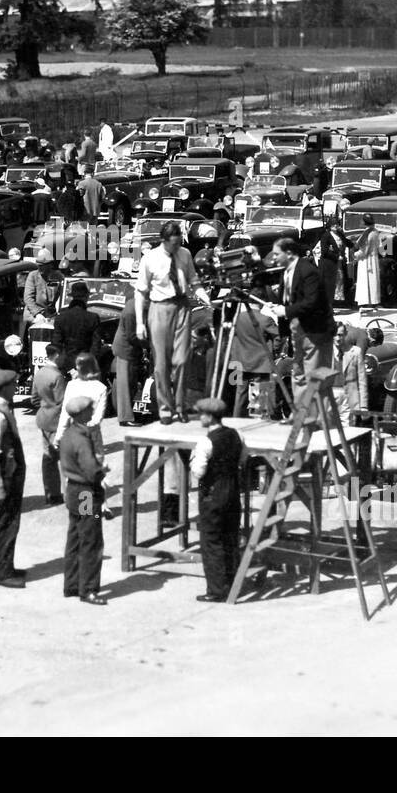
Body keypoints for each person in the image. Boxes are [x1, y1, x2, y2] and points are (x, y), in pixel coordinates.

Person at [133, 220, 211, 424]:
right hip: (159, 308)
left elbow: (194, 281)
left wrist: (205, 297)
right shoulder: (150, 258)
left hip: (182, 307)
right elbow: (141, 291)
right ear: (164, 240)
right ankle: (166, 408)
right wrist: (140, 323)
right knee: (161, 363)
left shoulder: (184, 254)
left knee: (183, 359)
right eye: (173, 244)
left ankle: (180, 405)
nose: (177, 247)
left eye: (179, 243)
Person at [267, 236, 333, 420]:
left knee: (312, 374)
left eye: (277, 253)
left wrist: (285, 311)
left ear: (289, 253)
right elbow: (287, 299)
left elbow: (311, 303)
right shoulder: (286, 271)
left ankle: (312, 417)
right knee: (298, 372)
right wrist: (279, 309)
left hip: (314, 332)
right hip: (297, 330)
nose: (274, 257)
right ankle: (300, 413)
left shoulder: (308, 271)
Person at [190, 397, 244, 602]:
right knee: (230, 537)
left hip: (213, 494)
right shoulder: (237, 434)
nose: (199, 417)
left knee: (211, 541)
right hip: (232, 490)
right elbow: (243, 457)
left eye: (201, 414)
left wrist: (192, 459)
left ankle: (216, 589)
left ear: (209, 416)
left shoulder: (205, 442)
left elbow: (198, 472)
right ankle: (232, 582)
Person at [59, 395, 107, 605]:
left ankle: (71, 584)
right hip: (86, 493)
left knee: (74, 539)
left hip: (73, 490)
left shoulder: (68, 434)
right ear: (82, 413)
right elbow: (90, 470)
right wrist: (101, 471)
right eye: (89, 408)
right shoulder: (81, 438)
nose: (92, 411)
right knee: (91, 541)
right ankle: (87, 589)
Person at [0, 369, 27, 588]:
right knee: (6, 524)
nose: (16, 387)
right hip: (5, 478)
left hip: (10, 475)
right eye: (14, 384)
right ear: (6, 388)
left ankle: (1, 564)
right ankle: (1, 573)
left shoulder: (3, 408)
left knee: (5, 523)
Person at [53, 352, 108, 463]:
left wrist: (59, 436)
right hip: (93, 435)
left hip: (74, 432)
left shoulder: (72, 385)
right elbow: (98, 417)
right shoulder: (101, 388)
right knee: (95, 468)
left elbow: (65, 413)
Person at [32, 344, 69, 506]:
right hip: (57, 422)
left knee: (48, 458)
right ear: (57, 355)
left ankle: (51, 494)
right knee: (64, 459)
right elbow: (62, 403)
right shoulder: (57, 377)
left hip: (43, 420)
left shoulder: (39, 373)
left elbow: (34, 399)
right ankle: (71, 497)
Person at [111, 288, 142, 427]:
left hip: (126, 349)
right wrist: (149, 344)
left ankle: (126, 414)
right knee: (125, 384)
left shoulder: (132, 305)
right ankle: (125, 417)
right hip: (125, 349)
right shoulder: (132, 311)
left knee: (128, 383)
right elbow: (132, 336)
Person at [53, 280, 100, 360]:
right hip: (85, 364)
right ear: (86, 297)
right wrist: (88, 363)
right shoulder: (93, 318)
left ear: (72, 297)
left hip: (66, 364)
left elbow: (57, 344)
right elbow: (96, 345)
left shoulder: (60, 318)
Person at [334, 324, 368, 424]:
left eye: (340, 335)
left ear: (345, 335)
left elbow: (362, 380)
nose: (338, 338)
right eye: (335, 335)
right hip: (329, 395)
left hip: (348, 396)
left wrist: (363, 406)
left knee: (348, 431)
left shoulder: (355, 352)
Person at [23, 248, 59, 339]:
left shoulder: (58, 276)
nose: (40, 268)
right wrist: (37, 314)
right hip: (34, 314)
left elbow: (61, 295)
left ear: (50, 265)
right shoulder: (33, 276)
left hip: (52, 315)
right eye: (39, 265)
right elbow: (28, 297)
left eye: (43, 266)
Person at [352, 214, 386, 307]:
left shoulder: (366, 233)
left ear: (364, 222)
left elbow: (364, 250)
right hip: (374, 259)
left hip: (365, 260)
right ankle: (373, 301)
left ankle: (365, 302)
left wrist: (354, 255)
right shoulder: (375, 232)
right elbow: (381, 249)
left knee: (364, 280)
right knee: (373, 280)